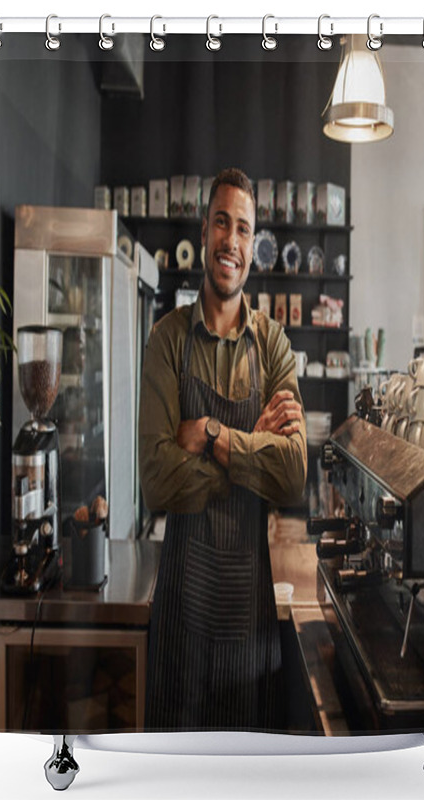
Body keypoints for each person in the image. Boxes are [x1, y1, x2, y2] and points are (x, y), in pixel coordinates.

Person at [138, 167, 307, 731]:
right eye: (220, 223)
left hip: (249, 626)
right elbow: (157, 480)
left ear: (252, 246)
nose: (230, 241)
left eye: (242, 228)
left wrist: (210, 435)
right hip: (179, 620)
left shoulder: (274, 344)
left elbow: (292, 477)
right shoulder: (167, 340)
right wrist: (249, 455)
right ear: (204, 229)